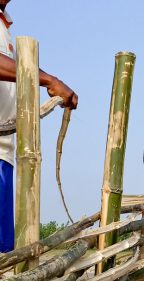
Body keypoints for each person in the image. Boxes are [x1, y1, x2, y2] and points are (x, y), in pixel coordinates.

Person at [0, 0, 78, 253]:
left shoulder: (4, 25)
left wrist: (50, 81)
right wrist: (48, 80)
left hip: (4, 148)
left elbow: (16, 64)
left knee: (4, 250)